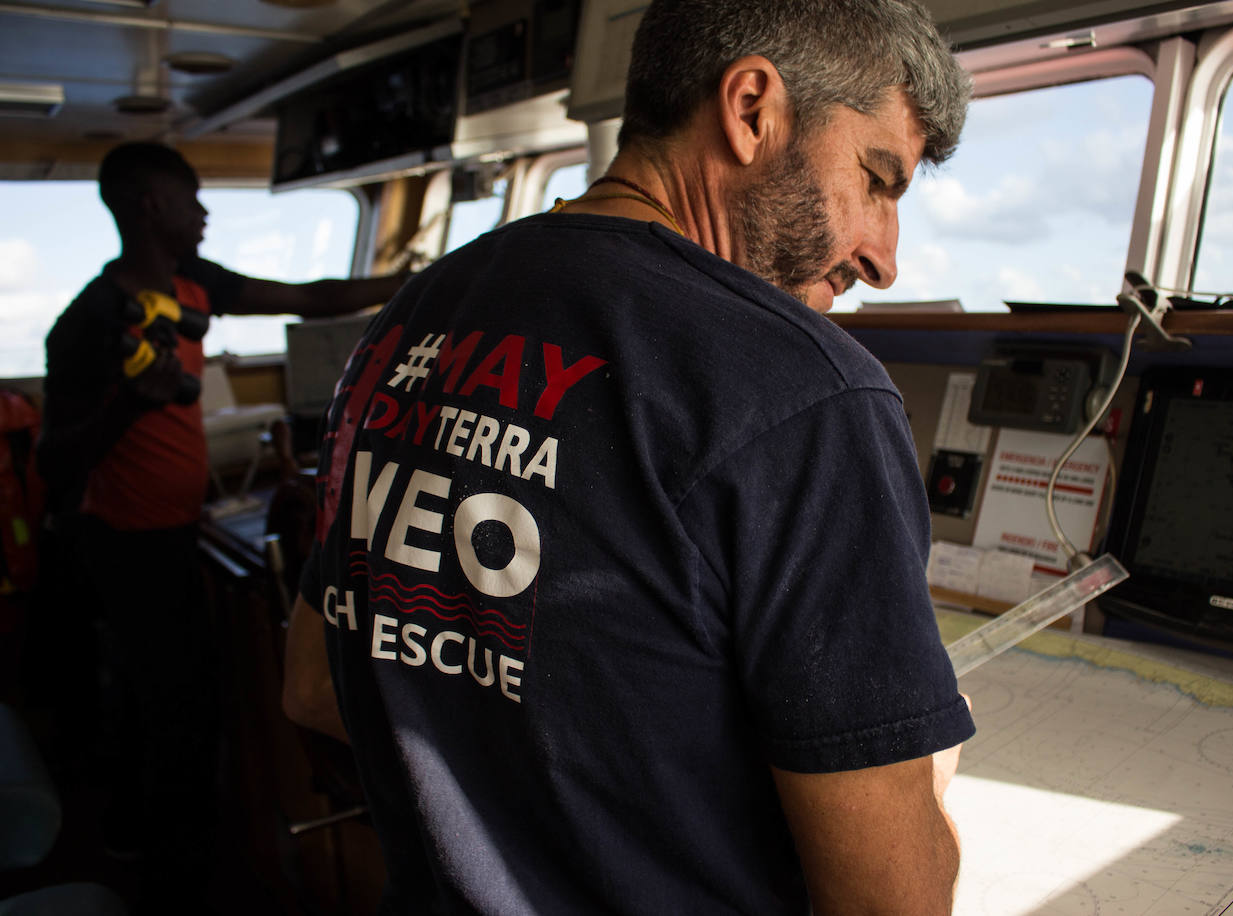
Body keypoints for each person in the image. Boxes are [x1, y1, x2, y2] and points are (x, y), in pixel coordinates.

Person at [284, 0, 976, 912]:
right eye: (878, 180)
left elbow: (313, 685)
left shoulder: (417, 314)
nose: (885, 256)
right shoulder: (808, 389)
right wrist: (918, 776)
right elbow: (893, 900)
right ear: (753, 108)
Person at [35, 140, 408, 913]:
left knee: (160, 704)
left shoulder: (191, 286)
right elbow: (54, 464)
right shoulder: (90, 322)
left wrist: (413, 283)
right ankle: (177, 885)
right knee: (178, 716)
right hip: (127, 544)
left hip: (177, 526)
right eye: (192, 198)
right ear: (150, 207)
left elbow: (306, 296)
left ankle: (133, 837)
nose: (204, 213)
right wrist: (132, 404)